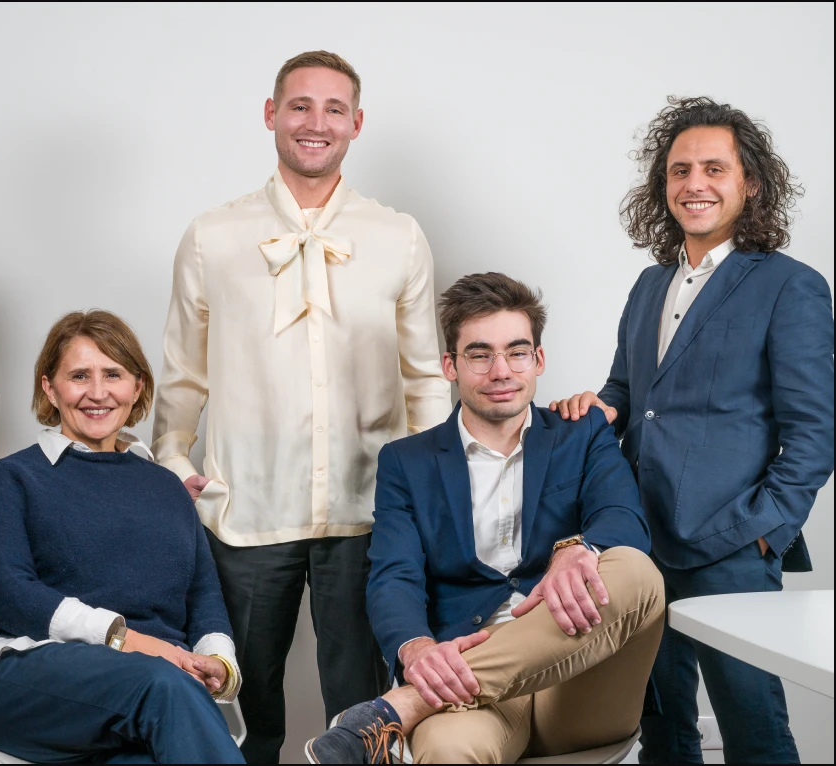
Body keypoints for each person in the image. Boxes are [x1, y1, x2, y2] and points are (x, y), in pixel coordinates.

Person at [152, 49, 453, 763]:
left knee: (362, 708)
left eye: (332, 109)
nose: (315, 123)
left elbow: (424, 377)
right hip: (245, 506)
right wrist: (169, 458)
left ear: (356, 123)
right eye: (299, 106)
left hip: (371, 509)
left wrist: (438, 490)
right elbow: (182, 370)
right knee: (240, 705)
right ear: (271, 115)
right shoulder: (212, 236)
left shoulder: (399, 236)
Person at [550, 97, 834, 764]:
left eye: (714, 168)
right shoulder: (650, 284)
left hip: (731, 542)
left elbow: (816, 432)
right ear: (663, 185)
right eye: (680, 171)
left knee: (753, 729)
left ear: (750, 184)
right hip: (641, 541)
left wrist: (764, 531)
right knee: (662, 726)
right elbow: (628, 392)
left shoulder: (790, 287)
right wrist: (598, 406)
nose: (694, 184)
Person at [305, 273, 665, 764]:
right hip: (466, 693)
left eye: (517, 352)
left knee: (635, 570)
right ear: (450, 366)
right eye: (480, 355)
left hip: (580, 680)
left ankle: (400, 706)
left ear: (538, 360)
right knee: (448, 752)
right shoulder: (406, 462)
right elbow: (395, 575)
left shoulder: (581, 434)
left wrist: (573, 550)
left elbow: (622, 518)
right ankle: (427, 690)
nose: (501, 370)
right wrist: (414, 648)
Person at [0, 310, 244, 764]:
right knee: (164, 686)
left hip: (147, 691)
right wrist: (136, 643)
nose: (98, 392)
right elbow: (9, 595)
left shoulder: (167, 487)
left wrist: (218, 665)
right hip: (25, 675)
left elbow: (203, 598)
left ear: (138, 386)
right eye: (79, 376)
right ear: (50, 387)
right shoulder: (13, 478)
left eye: (114, 375)